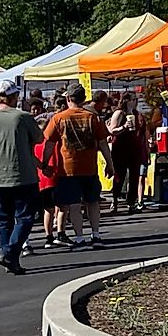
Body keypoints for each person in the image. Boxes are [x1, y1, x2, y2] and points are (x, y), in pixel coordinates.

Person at [0, 80, 43, 274]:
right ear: (14, 97)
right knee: (25, 217)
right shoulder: (23, 117)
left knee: (4, 219)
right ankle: (10, 252)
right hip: (23, 176)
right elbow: (39, 138)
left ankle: (9, 257)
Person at [41, 84, 114, 251]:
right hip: (90, 167)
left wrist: (45, 164)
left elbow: (49, 144)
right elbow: (103, 143)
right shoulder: (93, 117)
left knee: (74, 204)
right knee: (93, 202)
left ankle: (79, 237)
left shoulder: (59, 118)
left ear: (68, 99)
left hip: (68, 169)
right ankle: (95, 234)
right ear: (83, 99)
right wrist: (110, 165)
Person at [107, 92, 148, 215]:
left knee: (135, 176)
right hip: (120, 148)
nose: (135, 102)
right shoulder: (120, 113)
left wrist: (146, 148)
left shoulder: (137, 114)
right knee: (120, 175)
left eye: (136, 100)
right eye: (133, 99)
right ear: (126, 100)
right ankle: (115, 200)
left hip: (134, 148)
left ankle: (132, 202)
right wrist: (124, 126)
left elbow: (143, 132)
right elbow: (111, 130)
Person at [34, 117, 68, 247]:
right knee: (63, 207)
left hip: (42, 180)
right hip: (56, 175)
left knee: (48, 209)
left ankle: (48, 236)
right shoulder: (54, 142)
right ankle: (61, 232)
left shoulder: (34, 144)